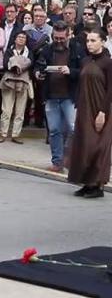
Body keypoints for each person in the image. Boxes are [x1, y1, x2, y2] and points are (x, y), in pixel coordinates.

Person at [67, 28, 112, 199]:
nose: (90, 44)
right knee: (84, 145)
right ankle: (86, 183)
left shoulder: (108, 63)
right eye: (88, 41)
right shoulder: (85, 61)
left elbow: (110, 90)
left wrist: (103, 112)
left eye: (93, 41)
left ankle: (97, 185)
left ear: (102, 41)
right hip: (85, 108)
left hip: (101, 109)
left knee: (98, 147)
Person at [35, 22, 82, 172]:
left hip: (70, 96)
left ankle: (70, 158)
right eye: (56, 38)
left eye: (62, 38)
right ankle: (57, 162)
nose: (59, 41)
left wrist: (71, 71)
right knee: (54, 130)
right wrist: (38, 73)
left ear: (68, 35)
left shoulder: (77, 49)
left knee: (73, 128)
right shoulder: (47, 50)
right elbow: (38, 66)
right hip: (51, 95)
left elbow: (84, 70)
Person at [0, 31, 32, 143]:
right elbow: (5, 64)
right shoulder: (9, 51)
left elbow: (31, 64)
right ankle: (3, 133)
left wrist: (18, 65)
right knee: (6, 109)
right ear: (15, 39)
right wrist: (17, 66)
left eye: (24, 37)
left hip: (23, 82)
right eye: (19, 37)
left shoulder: (29, 52)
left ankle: (16, 134)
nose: (21, 39)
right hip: (9, 82)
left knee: (20, 110)